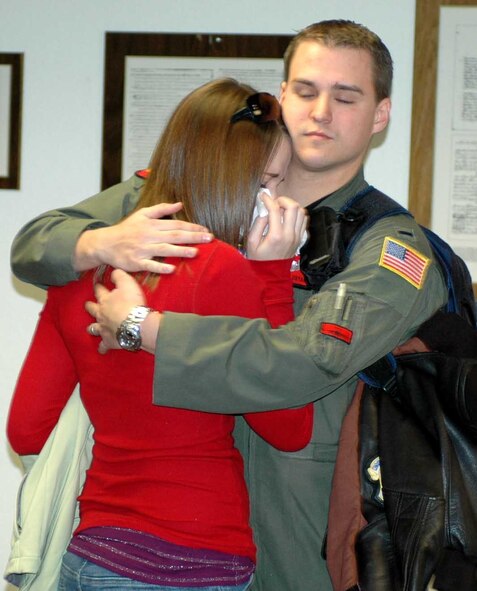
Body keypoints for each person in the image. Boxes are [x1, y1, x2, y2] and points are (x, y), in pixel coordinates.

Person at [10, 20, 448, 591]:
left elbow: (304, 360)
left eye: (346, 97)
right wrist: (100, 242)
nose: (320, 113)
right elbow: (39, 241)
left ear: (380, 116)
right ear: (283, 96)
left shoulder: (388, 248)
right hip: (179, 535)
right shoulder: (193, 192)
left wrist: (148, 326)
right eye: (307, 91)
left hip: (299, 535)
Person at [7, 78, 313, 591]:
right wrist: (273, 276)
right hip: (197, 559)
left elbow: (26, 431)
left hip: (93, 555)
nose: (276, 199)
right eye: (268, 181)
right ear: (228, 178)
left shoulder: (78, 274)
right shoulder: (225, 272)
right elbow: (288, 426)